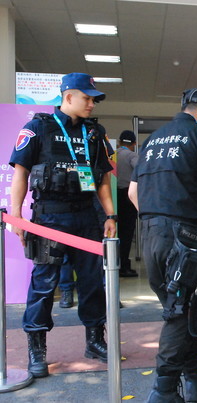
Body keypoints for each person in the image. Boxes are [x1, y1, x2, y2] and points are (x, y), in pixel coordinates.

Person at [128, 88, 197, 402]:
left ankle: (194, 381)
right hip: (184, 236)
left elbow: (134, 194)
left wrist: (160, 215)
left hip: (151, 234)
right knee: (179, 311)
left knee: (181, 308)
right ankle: (162, 390)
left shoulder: (152, 140)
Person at [9, 72, 115, 378]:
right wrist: (16, 216)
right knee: (44, 285)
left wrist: (110, 215)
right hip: (49, 217)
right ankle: (36, 348)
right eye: (87, 98)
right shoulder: (38, 127)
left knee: (93, 283)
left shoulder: (95, 133)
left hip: (86, 216)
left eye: (94, 99)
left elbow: (103, 179)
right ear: (68, 97)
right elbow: (21, 174)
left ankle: (95, 340)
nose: (92, 104)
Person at [116, 130, 139, 277]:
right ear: (134, 144)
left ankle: (113, 263)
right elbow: (141, 171)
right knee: (126, 233)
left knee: (114, 233)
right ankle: (124, 265)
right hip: (127, 196)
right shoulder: (132, 155)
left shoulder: (112, 153)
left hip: (112, 195)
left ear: (119, 142)